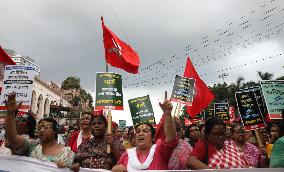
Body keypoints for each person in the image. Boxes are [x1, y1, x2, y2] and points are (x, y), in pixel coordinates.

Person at [5, 93, 74, 168]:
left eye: (45, 127)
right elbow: (13, 139)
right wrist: (10, 114)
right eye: (39, 127)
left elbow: (76, 167)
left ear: (55, 130)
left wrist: (71, 167)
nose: (41, 130)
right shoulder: (32, 146)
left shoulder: (68, 153)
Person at [112, 95, 178, 171]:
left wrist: (167, 113)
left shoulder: (159, 150)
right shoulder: (127, 154)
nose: (140, 133)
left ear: (153, 137)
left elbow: (170, 137)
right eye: (138, 131)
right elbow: (119, 167)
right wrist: (118, 168)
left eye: (145, 131)